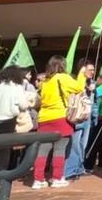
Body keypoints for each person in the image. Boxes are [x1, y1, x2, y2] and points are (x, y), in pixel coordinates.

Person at [31, 56, 85, 189]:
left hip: (44, 118)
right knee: (59, 150)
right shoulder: (62, 77)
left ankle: (38, 179)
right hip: (60, 117)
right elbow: (78, 88)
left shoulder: (45, 81)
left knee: (42, 151)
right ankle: (56, 178)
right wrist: (82, 74)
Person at [0, 66, 31, 185]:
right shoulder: (16, 87)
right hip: (8, 120)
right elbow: (23, 105)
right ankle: (0, 178)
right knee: (4, 151)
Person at [63, 60, 95, 181]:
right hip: (77, 117)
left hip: (87, 116)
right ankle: (69, 170)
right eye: (90, 69)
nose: (92, 72)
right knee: (74, 144)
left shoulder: (91, 83)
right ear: (82, 69)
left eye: (93, 69)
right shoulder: (75, 82)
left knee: (83, 144)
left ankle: (78, 167)